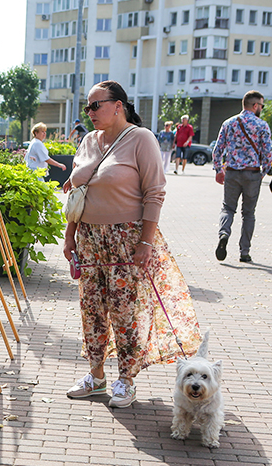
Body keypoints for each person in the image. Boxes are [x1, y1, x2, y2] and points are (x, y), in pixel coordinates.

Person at [61, 80, 201, 408]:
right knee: (91, 310)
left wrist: (145, 242)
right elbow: (76, 194)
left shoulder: (141, 139)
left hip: (126, 239)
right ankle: (96, 377)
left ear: (118, 105)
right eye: (88, 107)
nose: (90, 112)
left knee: (124, 312)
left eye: (96, 105)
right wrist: (70, 236)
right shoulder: (88, 141)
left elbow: (155, 192)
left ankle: (126, 379)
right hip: (90, 238)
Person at [211, 90, 272, 264]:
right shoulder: (262, 125)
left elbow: (218, 149)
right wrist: (264, 172)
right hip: (252, 173)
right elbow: (268, 152)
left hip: (231, 172)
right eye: (261, 105)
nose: (261, 108)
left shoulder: (228, 123)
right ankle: (244, 252)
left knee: (228, 208)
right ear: (255, 106)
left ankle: (223, 234)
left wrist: (218, 169)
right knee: (249, 213)